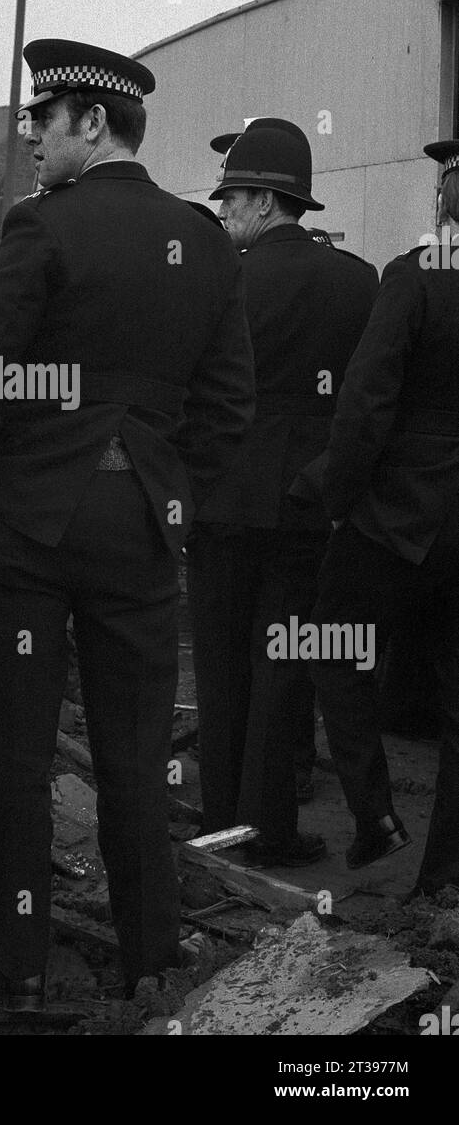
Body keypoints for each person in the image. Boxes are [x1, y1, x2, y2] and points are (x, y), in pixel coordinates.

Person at [0, 38, 255, 1008]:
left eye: (44, 119)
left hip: (29, 531)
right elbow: (230, 405)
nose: (31, 135)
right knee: (133, 761)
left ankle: (20, 977)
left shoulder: (41, 228)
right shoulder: (202, 239)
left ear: (92, 123)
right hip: (138, 531)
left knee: (20, 765)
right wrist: (167, 496)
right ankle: (152, 966)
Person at [186, 119, 378, 867]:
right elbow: (366, 402)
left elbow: (192, 395)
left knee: (219, 666)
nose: (225, 211)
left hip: (221, 506)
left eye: (231, 197)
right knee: (281, 666)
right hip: (305, 510)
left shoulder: (223, 279)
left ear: (265, 201)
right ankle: (267, 828)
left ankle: (216, 824)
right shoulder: (358, 281)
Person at [308, 136, 459, 890]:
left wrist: (338, 500)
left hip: (394, 519)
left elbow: (362, 406)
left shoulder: (413, 278)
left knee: (335, 652)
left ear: (445, 197)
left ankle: (374, 820)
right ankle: (447, 877)